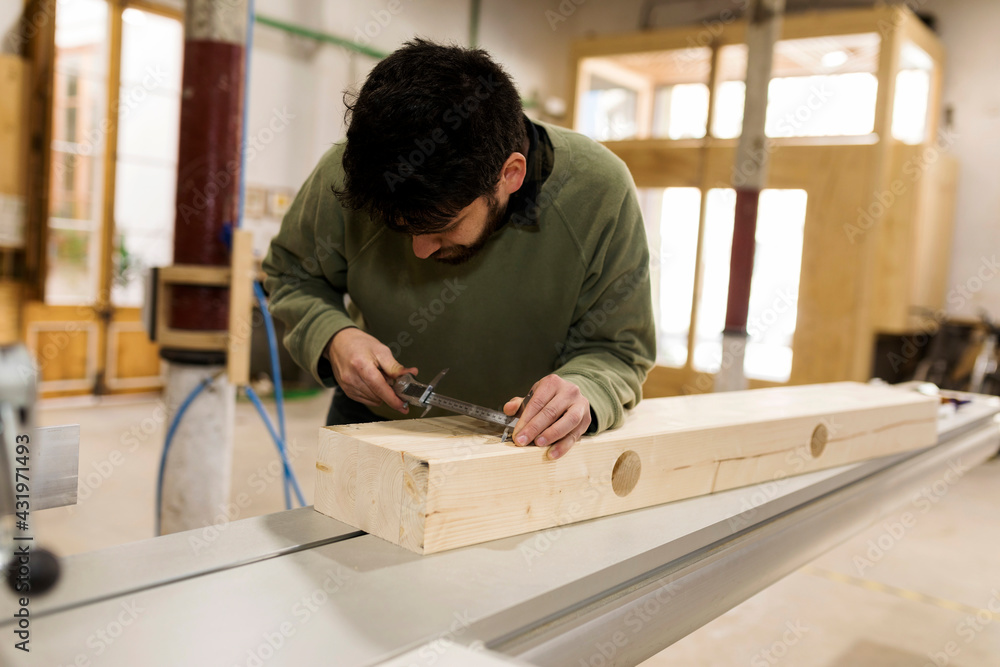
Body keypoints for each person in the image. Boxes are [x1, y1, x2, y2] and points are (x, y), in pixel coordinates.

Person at [262, 39, 655, 460]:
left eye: (443, 226)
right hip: (372, 421)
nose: (419, 251)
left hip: (524, 445)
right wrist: (333, 337)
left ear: (511, 174)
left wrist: (585, 390)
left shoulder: (600, 191)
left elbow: (618, 349)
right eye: (398, 228)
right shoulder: (358, 174)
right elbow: (291, 275)